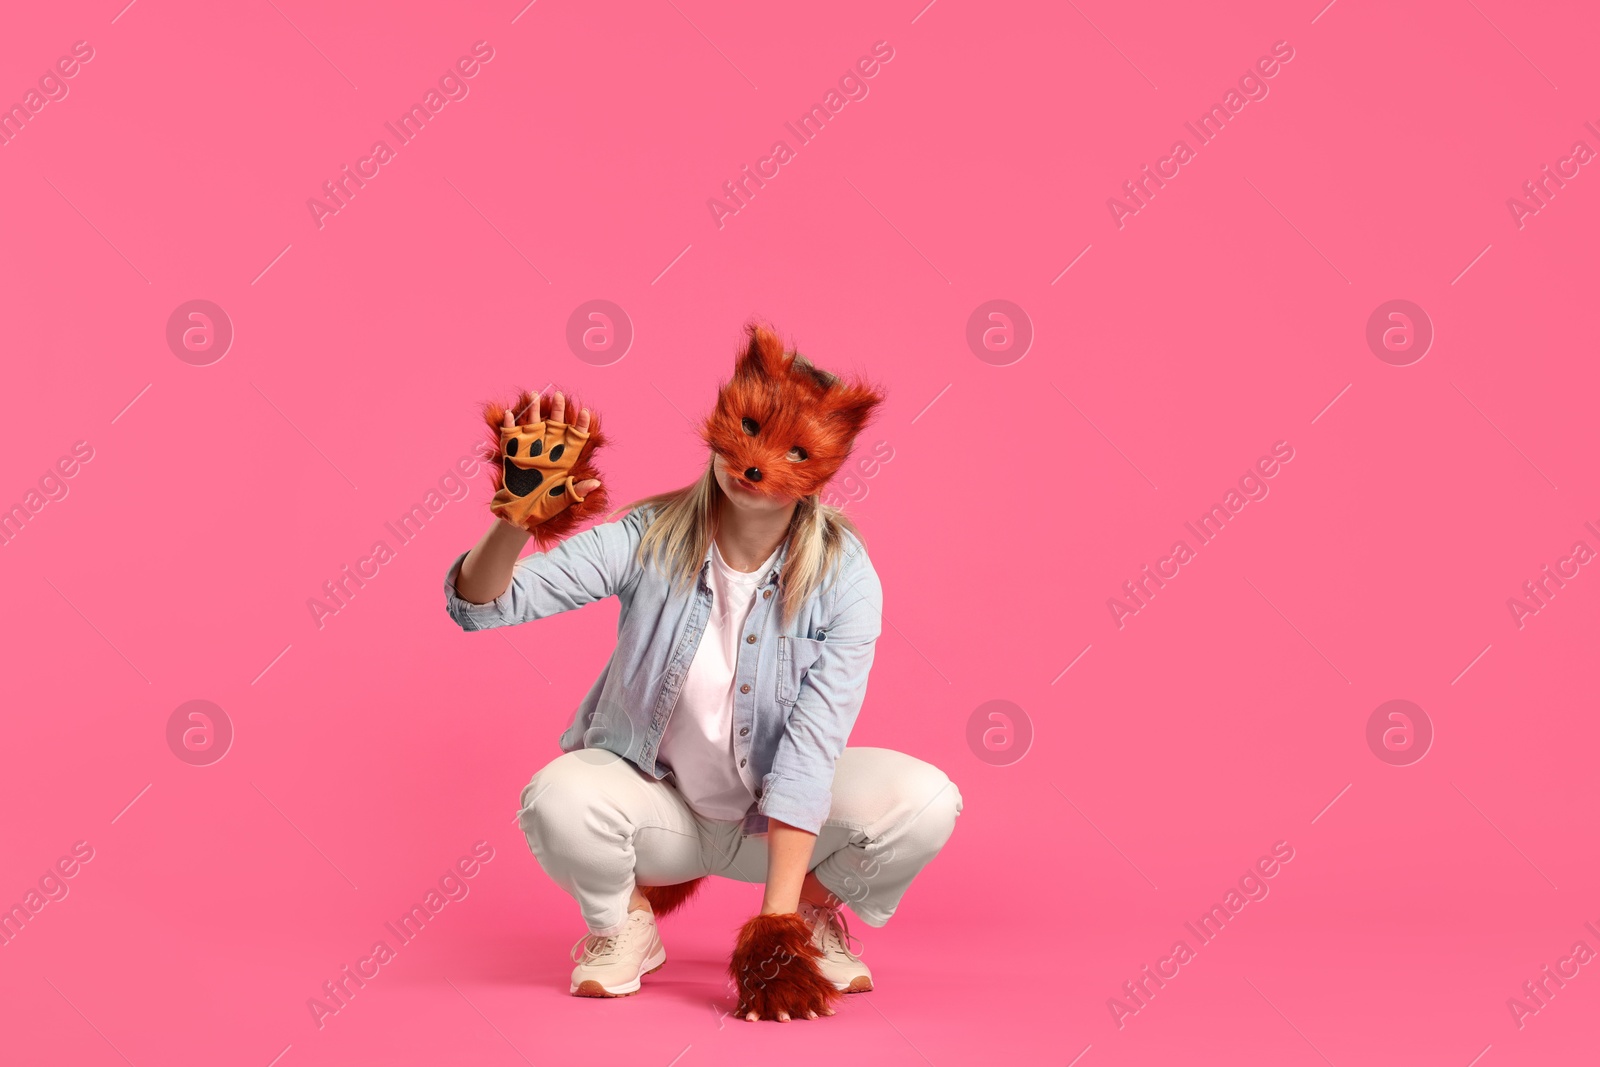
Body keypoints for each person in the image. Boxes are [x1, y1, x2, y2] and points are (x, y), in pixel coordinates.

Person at [441, 323, 963, 1022]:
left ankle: (813, 918)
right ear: (721, 417)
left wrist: (775, 932)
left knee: (927, 799)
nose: (755, 463)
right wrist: (514, 518)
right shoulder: (644, 535)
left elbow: (811, 752)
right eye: (748, 428)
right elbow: (483, 606)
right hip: (665, 817)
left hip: (772, 829)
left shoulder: (845, 574)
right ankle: (623, 925)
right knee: (556, 795)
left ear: (824, 466)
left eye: (794, 451)